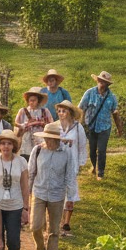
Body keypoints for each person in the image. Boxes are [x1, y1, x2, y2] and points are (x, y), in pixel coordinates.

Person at [28, 124, 77, 250]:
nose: (48, 141)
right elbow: (31, 173)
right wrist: (27, 194)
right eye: (46, 138)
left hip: (57, 195)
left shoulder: (66, 153)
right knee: (35, 226)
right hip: (39, 192)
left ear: (57, 140)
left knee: (54, 230)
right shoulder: (37, 150)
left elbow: (70, 175)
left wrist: (71, 197)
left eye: (51, 139)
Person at [78, 70, 123, 180]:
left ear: (108, 84)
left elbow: (115, 113)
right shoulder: (89, 93)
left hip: (105, 127)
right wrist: (81, 123)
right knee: (92, 150)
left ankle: (100, 173)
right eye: (100, 81)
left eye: (104, 82)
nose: (102, 83)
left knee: (102, 149)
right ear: (97, 81)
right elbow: (81, 108)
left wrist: (119, 128)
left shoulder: (112, 97)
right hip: (91, 126)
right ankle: (94, 166)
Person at [53, 99, 87, 236]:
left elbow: (82, 146)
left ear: (70, 112)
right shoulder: (55, 127)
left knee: (71, 192)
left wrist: (80, 163)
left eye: (64, 111)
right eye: (60, 111)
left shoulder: (78, 128)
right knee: (58, 192)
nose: (61, 113)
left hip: (71, 163)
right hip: (57, 163)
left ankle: (66, 223)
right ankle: (57, 222)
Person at [15, 87, 53, 158]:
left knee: (39, 158)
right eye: (30, 100)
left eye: (34, 100)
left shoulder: (45, 111)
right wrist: (22, 127)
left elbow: (51, 125)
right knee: (26, 158)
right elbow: (16, 125)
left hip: (40, 140)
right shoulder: (23, 111)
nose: (32, 102)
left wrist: (43, 124)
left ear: (38, 100)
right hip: (26, 141)